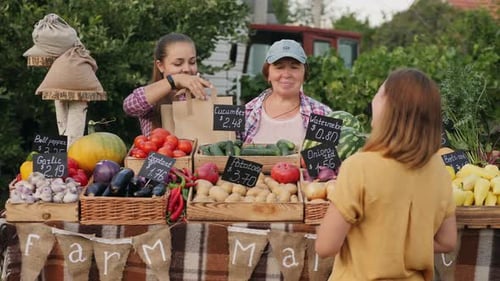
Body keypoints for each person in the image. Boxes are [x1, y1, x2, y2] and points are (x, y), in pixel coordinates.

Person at [315, 68, 457, 281]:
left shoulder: (359, 166)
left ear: (389, 107)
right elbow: (448, 241)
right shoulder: (439, 169)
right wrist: (403, 248)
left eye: (379, 94)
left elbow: (325, 246)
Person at [239, 39, 332, 145]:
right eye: (279, 67)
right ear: (268, 74)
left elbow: (330, 158)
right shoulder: (245, 114)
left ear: (304, 74)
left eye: (294, 67)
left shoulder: (323, 115)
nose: (286, 74)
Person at [123, 32, 212, 136]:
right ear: (160, 66)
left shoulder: (203, 99)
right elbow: (129, 107)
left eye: (192, 62)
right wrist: (173, 80)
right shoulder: (153, 98)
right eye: (178, 63)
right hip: (160, 152)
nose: (187, 69)